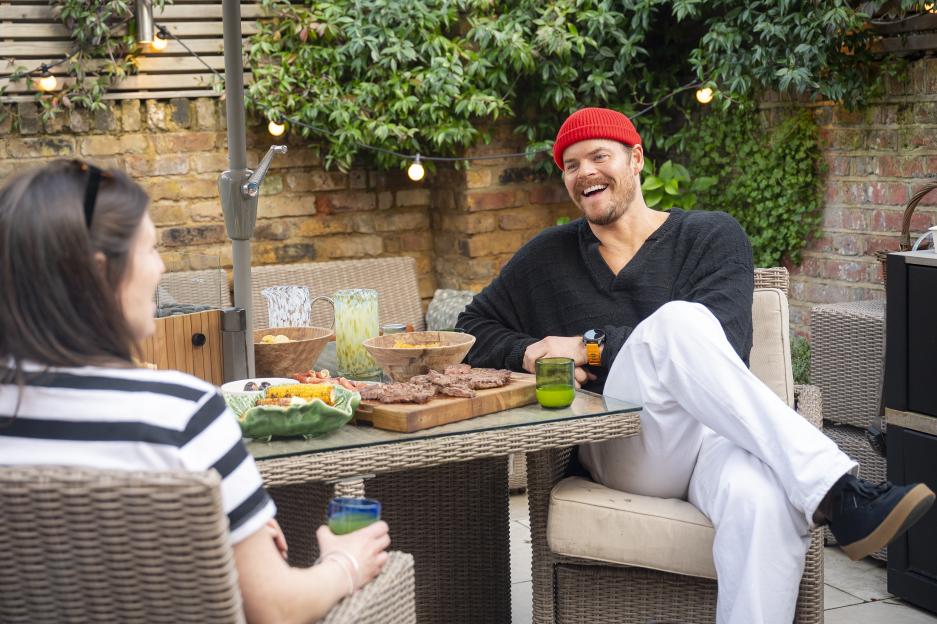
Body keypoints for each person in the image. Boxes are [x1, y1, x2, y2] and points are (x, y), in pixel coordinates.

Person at [459, 107, 935, 624]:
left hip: (716, 443)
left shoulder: (712, 236)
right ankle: (839, 492)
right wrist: (527, 352)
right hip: (623, 445)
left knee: (762, 501)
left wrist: (590, 345)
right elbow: (470, 330)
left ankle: (829, 494)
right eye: (571, 165)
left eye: (599, 156)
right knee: (680, 322)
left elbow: (725, 342)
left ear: (636, 158)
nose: (585, 172)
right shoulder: (547, 258)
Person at [0, 160, 391, 624]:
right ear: (101, 273)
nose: (162, 268)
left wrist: (229, 530)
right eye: (150, 249)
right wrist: (344, 563)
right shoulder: (182, 414)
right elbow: (276, 607)